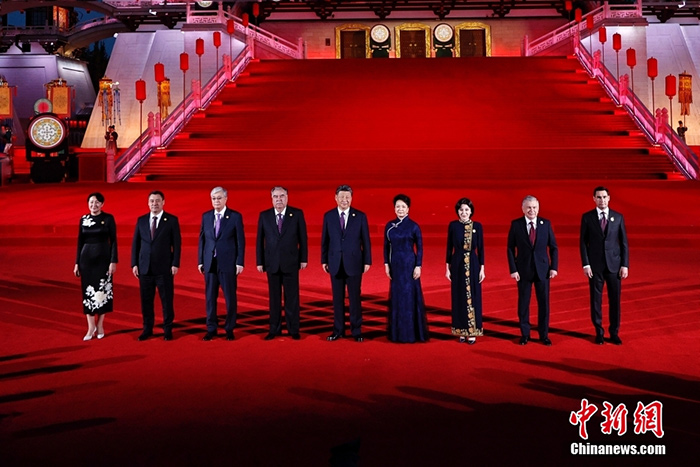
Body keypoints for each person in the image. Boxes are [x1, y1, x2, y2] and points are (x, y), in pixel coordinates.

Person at [256, 186, 308, 340]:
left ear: (287, 197)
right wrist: (260, 261)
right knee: (274, 299)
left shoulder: (296, 214)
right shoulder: (264, 216)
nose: (279, 199)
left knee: (292, 298)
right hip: (271, 262)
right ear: (271, 199)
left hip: (291, 262)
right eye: (276, 197)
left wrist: (303, 259)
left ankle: (293, 329)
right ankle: (274, 329)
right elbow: (259, 240)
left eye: (282, 196)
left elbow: (303, 238)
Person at [321, 185, 372, 342]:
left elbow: (366, 241)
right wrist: (324, 260)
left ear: (351, 198)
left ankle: (356, 331)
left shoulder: (360, 216)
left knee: (355, 298)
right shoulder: (329, 216)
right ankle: (338, 330)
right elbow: (325, 240)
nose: (345, 200)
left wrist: (367, 260)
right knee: (337, 299)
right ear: (335, 198)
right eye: (341, 197)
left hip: (354, 262)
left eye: (347, 197)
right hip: (335, 262)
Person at [580, 186, 629, 345]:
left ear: (609, 198)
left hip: (614, 266)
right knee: (596, 300)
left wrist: (625, 265)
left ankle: (614, 332)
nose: (602, 200)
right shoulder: (587, 217)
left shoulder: (618, 217)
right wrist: (586, 264)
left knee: (615, 300)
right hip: (595, 266)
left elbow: (624, 243)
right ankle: (599, 332)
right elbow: (583, 242)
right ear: (594, 199)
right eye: (599, 197)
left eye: (604, 197)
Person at [507, 195, 558, 346]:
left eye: (534, 207)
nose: (532, 210)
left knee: (544, 304)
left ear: (538, 208)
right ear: (523, 209)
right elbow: (510, 248)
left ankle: (544, 335)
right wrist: (513, 269)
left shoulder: (545, 224)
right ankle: (525, 334)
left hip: (543, 270)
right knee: (523, 303)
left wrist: (554, 267)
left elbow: (553, 247)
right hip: (523, 270)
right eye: (529, 207)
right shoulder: (516, 225)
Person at [131, 190, 181, 341]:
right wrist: (134, 263)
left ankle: (168, 329)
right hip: (144, 268)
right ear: (148, 203)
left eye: (158, 201)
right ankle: (147, 329)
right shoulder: (141, 220)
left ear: (163, 202)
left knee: (167, 301)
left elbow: (177, 244)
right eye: (152, 201)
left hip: (164, 268)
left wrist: (175, 263)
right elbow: (136, 243)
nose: (155, 204)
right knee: (146, 301)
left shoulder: (171, 220)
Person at [198, 186, 244, 341]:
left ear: (226, 199)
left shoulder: (235, 217)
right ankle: (211, 328)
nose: (216, 201)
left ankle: (229, 328)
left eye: (219, 198)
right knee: (210, 298)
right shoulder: (206, 216)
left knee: (230, 298)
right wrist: (200, 261)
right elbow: (202, 240)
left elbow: (240, 241)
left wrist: (239, 262)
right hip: (210, 263)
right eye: (213, 199)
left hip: (228, 264)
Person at [384, 194, 428, 343]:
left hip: (409, 265)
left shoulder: (414, 226)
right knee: (397, 297)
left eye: (403, 207)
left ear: (408, 209)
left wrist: (418, 266)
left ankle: (412, 333)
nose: (400, 209)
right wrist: (386, 264)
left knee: (409, 297)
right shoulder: (390, 226)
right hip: (395, 265)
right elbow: (386, 247)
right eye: (398, 206)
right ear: (394, 208)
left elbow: (420, 248)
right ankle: (397, 333)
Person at [74, 192, 117, 341]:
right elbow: (80, 242)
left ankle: (100, 325)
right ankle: (90, 326)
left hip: (103, 259)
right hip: (86, 260)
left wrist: (113, 261)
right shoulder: (83, 219)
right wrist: (77, 263)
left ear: (102, 204)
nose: (94, 205)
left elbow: (114, 241)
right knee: (88, 293)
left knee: (103, 291)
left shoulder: (108, 218)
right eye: (91, 202)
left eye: (97, 202)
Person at [446, 198, 484, 344]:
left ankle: (472, 331)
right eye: (461, 210)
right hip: (457, 263)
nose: (464, 212)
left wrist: (482, 268)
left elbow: (481, 249)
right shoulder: (453, 226)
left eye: (467, 210)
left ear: (471, 211)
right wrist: (447, 268)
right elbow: (449, 247)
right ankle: (460, 330)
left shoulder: (477, 226)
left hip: (473, 263)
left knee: (473, 296)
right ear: (457, 211)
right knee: (458, 296)